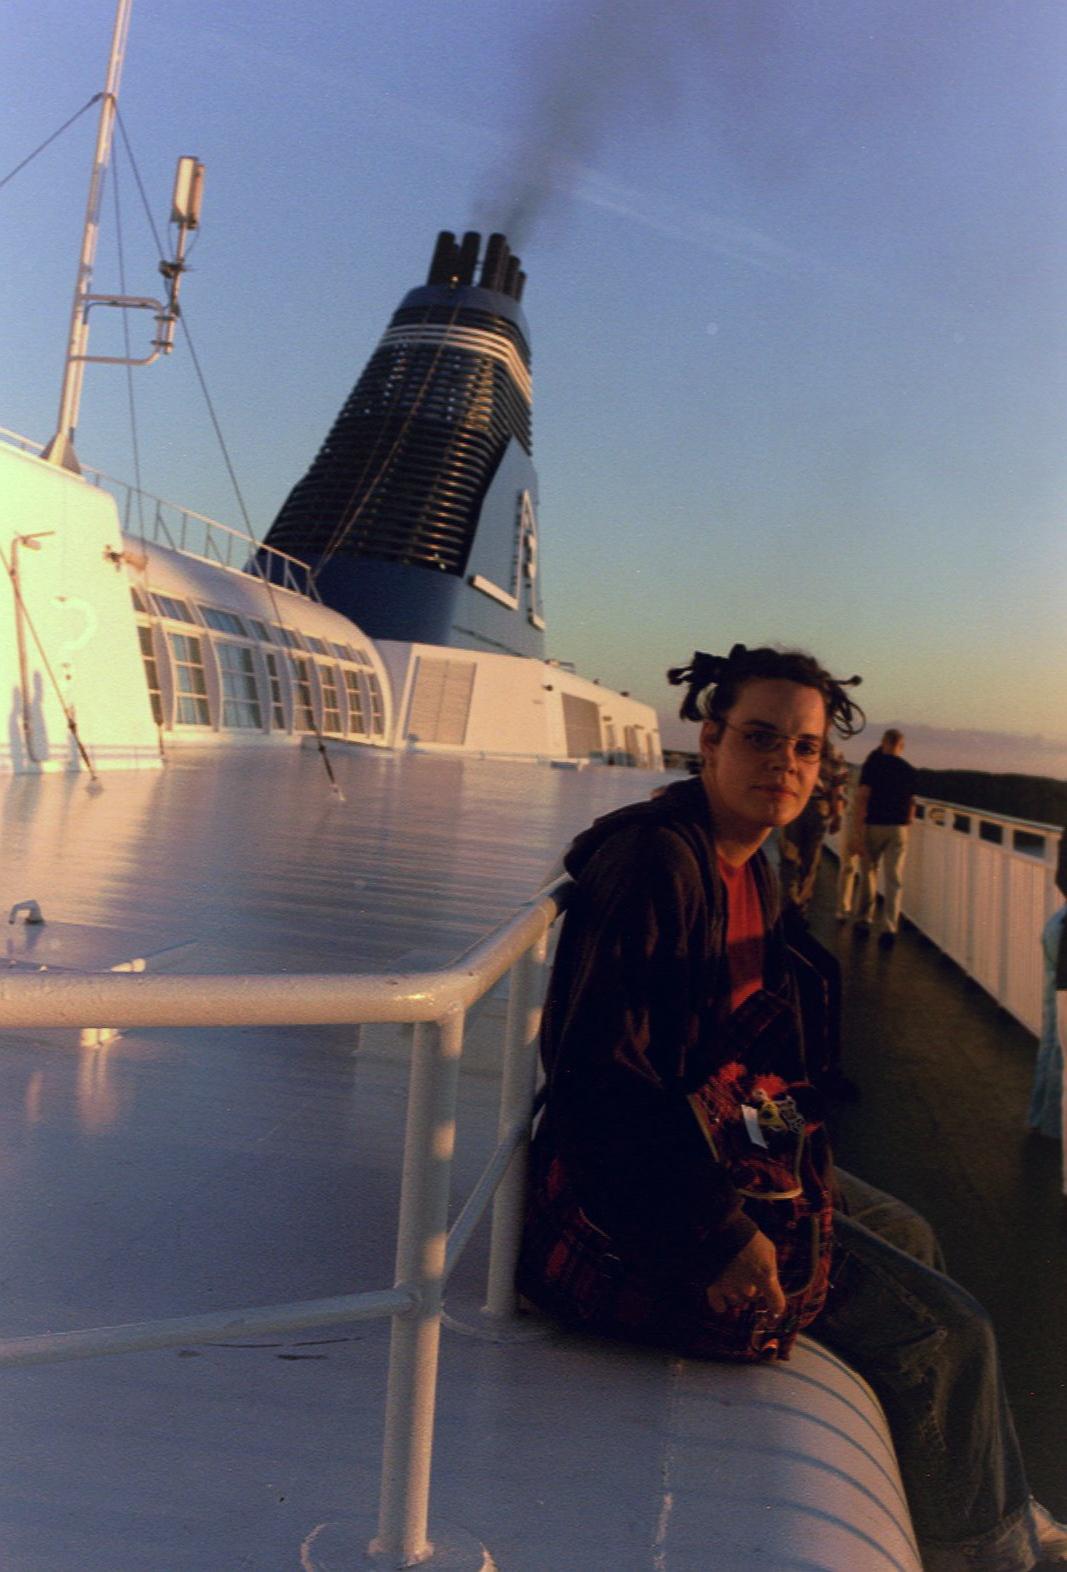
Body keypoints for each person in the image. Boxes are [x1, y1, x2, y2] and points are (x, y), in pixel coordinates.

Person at [518, 643, 1067, 1572]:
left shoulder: (753, 864)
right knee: (949, 1330)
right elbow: (600, 1083)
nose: (784, 762)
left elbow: (742, 1053)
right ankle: (989, 1553)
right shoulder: (658, 867)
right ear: (710, 740)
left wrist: (791, 1155)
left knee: (911, 1233)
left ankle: (975, 1498)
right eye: (760, 737)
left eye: (805, 747)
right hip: (634, 1202)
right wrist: (718, 1232)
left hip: (709, 1144)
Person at [852, 727, 917, 949]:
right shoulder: (909, 769)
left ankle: (864, 919)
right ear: (901, 746)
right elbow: (912, 805)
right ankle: (890, 928)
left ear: (884, 743)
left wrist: (857, 831)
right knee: (894, 879)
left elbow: (862, 797)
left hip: (874, 825)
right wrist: (905, 824)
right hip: (898, 829)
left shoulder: (873, 766)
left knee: (869, 873)